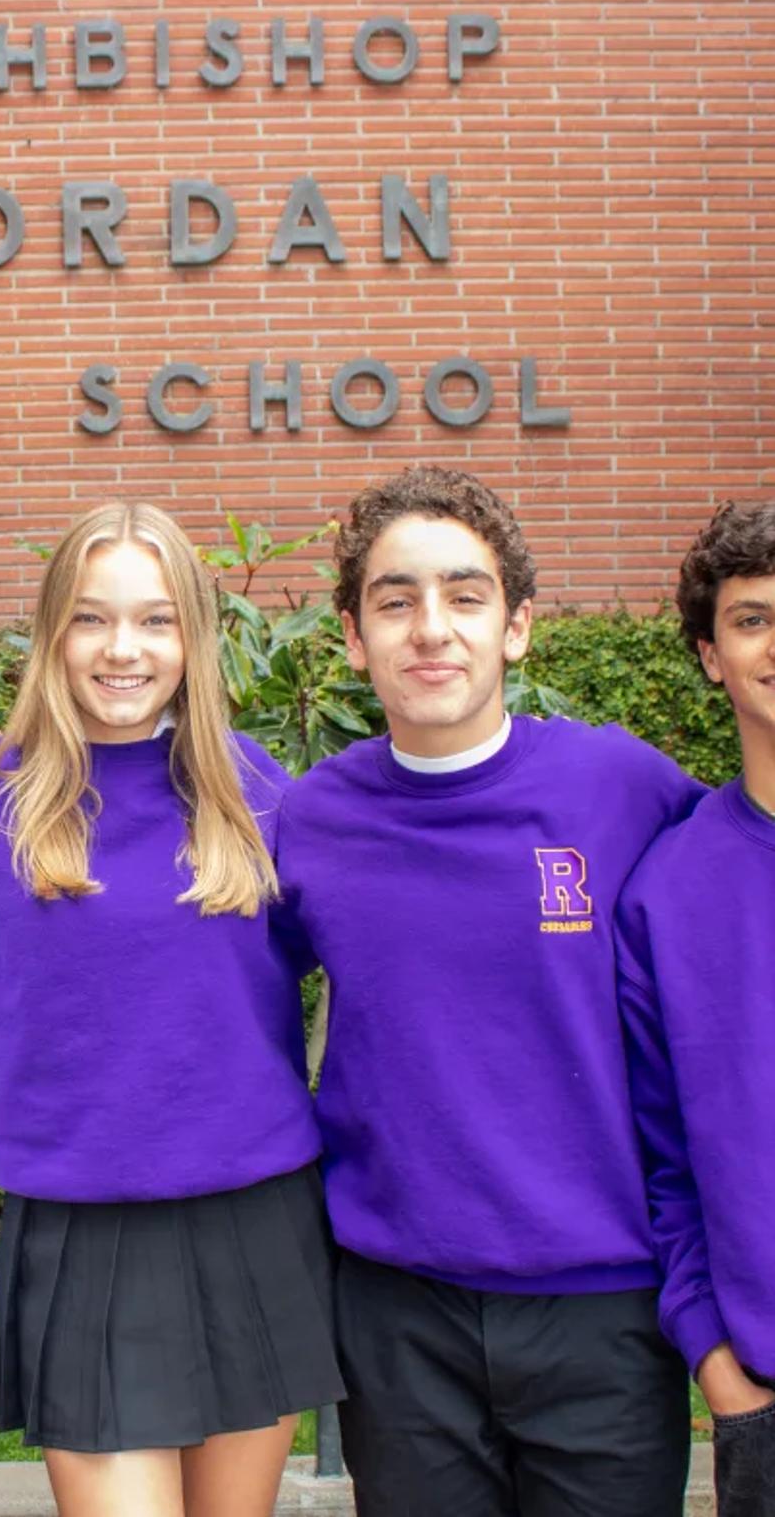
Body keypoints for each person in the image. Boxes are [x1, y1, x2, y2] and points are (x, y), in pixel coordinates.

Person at [276, 465, 700, 1516]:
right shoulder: (306, 817)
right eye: (394, 600)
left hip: (601, 1302)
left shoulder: (621, 786)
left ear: (515, 627)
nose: (429, 628)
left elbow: (741, 898)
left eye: (463, 597)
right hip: (395, 1302)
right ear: (350, 635)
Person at [0, 503, 341, 1517]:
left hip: (252, 1210)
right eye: (91, 618)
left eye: (154, 620)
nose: (121, 649)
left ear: (192, 636)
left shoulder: (257, 791)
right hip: (83, 1218)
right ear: (51, 630)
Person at [616, 500, 775, 1517]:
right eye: (752, 617)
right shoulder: (666, 889)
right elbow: (658, 1155)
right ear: (709, 654)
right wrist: (717, 1360)